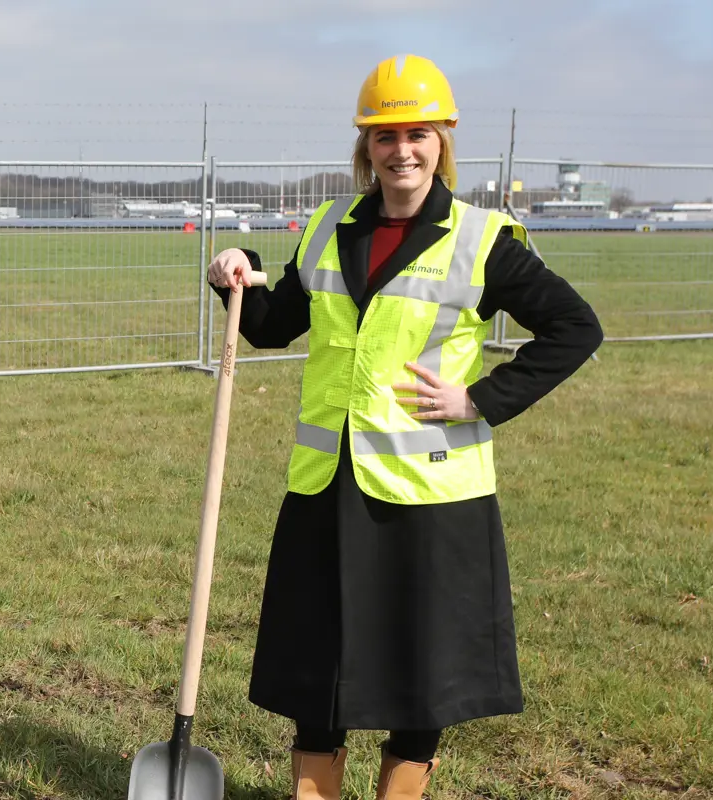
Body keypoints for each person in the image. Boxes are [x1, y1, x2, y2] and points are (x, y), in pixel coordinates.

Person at [206, 55, 603, 800]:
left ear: (443, 139)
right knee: (316, 667)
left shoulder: (483, 239)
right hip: (328, 485)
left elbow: (575, 328)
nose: (402, 151)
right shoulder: (330, 227)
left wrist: (481, 398)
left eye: (417, 133)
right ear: (367, 148)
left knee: (423, 673)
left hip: (431, 493)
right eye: (385, 137)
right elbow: (272, 324)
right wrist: (236, 270)